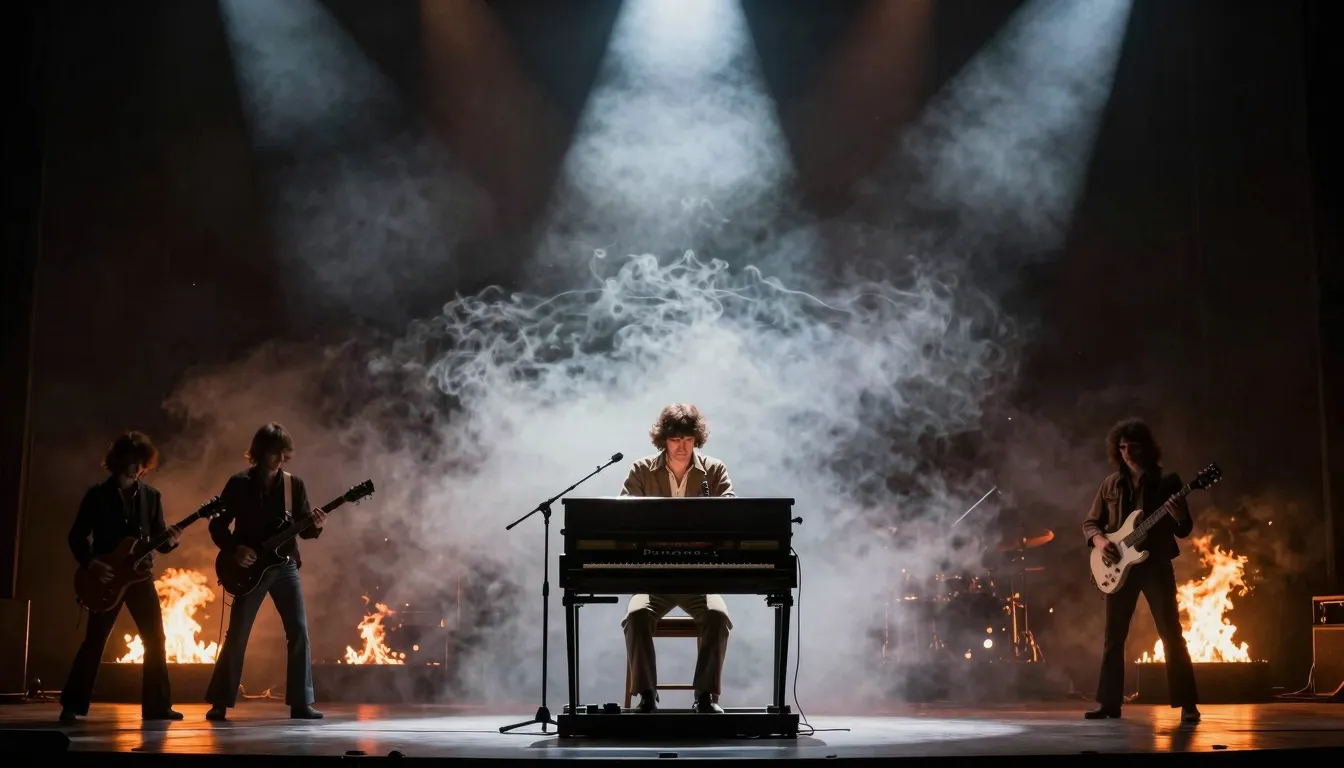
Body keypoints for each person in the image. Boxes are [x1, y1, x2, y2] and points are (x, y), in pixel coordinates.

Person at [204, 423, 326, 721]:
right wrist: (235, 549)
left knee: (299, 632)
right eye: (275, 453)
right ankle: (220, 701)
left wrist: (316, 525)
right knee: (238, 633)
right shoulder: (238, 483)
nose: (281, 459)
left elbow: (304, 529)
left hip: (285, 566)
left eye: (284, 453)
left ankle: (301, 703)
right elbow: (217, 525)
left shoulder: (294, 485)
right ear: (259, 452)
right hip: (249, 569)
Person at [1082, 417, 1200, 723]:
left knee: (1170, 632)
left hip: (1155, 564)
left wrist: (1180, 514)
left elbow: (1184, 529)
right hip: (1118, 566)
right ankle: (1108, 703)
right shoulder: (1110, 484)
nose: (1127, 453)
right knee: (1114, 637)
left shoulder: (1167, 481)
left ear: (1146, 447)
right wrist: (1100, 541)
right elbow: (1091, 523)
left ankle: (1187, 704)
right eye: (1122, 447)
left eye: (1132, 447)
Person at [61, 431, 183, 722]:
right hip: (106, 579)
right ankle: (72, 705)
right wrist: (91, 563)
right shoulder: (97, 495)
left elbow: (159, 541)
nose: (137, 466)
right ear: (118, 460)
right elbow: (77, 536)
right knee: (95, 640)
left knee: (155, 638)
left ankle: (158, 707)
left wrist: (171, 541)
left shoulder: (152, 497)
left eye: (141, 461)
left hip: (140, 578)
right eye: (131, 460)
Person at [620, 403, 735, 713]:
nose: (682, 446)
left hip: (700, 576)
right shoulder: (641, 469)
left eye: (688, 439)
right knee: (636, 616)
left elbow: (731, 515)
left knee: (717, 617)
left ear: (697, 438)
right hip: (653, 576)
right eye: (675, 439)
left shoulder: (714, 469)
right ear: (664, 440)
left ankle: (705, 696)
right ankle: (647, 695)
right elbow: (624, 519)